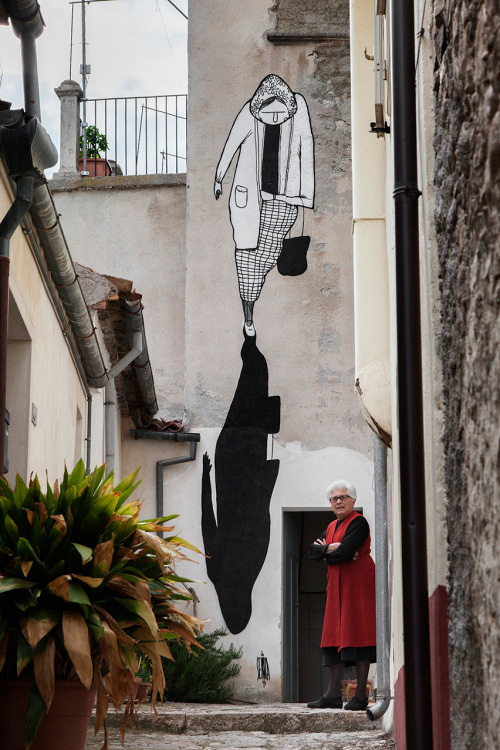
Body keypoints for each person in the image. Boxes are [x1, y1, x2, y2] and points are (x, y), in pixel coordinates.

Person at [214, 74, 315, 336]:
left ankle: (250, 306)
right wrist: (218, 177)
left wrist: (303, 195)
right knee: (246, 260)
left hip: (281, 204)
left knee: (268, 256)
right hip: (251, 204)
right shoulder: (249, 113)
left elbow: (306, 146)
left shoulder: (298, 109)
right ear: (259, 108)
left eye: (280, 114)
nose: (274, 119)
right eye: (269, 114)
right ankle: (248, 314)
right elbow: (231, 144)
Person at [307, 480, 376, 710]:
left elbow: (346, 553)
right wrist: (330, 549)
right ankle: (332, 695)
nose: (338, 501)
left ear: (353, 500)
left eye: (343, 497)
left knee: (359, 634)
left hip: (358, 587)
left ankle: (360, 698)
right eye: (334, 498)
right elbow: (311, 551)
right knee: (333, 637)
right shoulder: (330, 527)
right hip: (336, 588)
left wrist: (328, 551)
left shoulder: (359, 523)